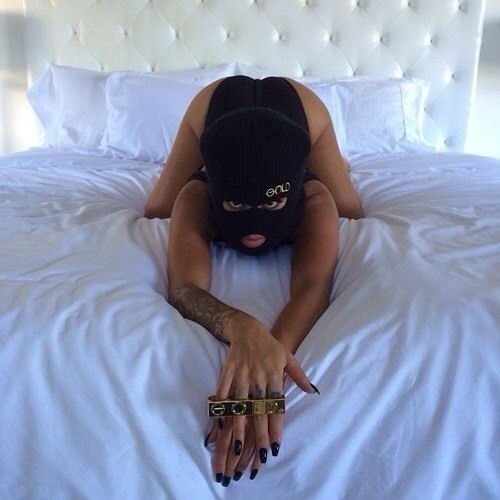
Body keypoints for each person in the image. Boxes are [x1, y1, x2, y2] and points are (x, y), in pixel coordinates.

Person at [145, 75, 364, 486]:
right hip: (214, 108)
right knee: (157, 208)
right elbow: (184, 289)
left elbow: (313, 285)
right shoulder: (196, 195)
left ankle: (334, 163)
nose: (254, 225)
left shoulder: (315, 198)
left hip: (303, 115)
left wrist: (271, 361)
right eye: (234, 203)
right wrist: (244, 330)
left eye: (274, 201)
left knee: (351, 209)